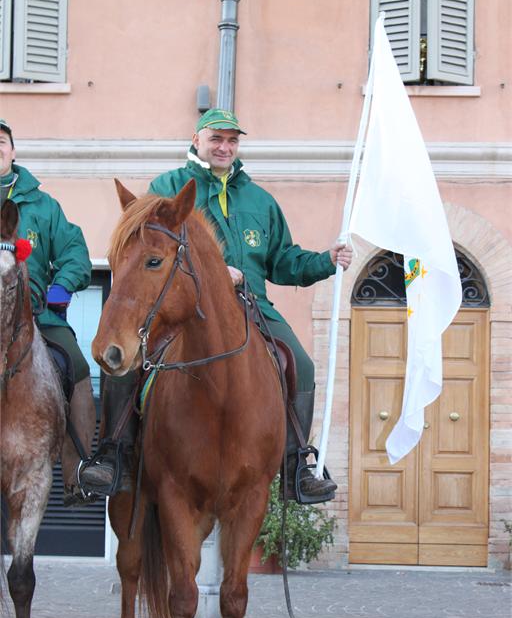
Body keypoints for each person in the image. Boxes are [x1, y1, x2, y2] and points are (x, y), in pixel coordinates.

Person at [81, 108, 352, 503]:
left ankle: (296, 465)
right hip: (183, 313)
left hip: (253, 307)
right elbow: (147, 249)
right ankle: (113, 453)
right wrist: (213, 273)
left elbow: (284, 261)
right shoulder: (168, 188)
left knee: (301, 365)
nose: (224, 147)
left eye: (232, 140)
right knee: (125, 358)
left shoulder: (260, 201)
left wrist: (326, 260)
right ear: (197, 141)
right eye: (216, 139)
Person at [0, 118, 97, 508]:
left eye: (1, 141)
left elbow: (74, 251)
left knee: (78, 368)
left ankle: (78, 475)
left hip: (37, 314)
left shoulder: (43, 206)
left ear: (13, 150)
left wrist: (60, 287)